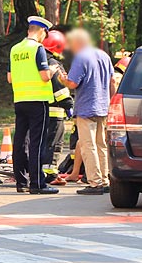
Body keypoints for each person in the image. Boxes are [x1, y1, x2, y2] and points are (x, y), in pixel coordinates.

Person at [7, 16, 59, 195]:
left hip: (20, 100)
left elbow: (10, 78)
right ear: (42, 31)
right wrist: (52, 70)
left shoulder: (15, 49)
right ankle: (37, 184)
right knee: (37, 142)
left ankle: (21, 182)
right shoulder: (37, 48)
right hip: (37, 101)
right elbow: (45, 76)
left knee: (20, 141)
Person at [60, 29, 115, 195]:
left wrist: (62, 78)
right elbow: (112, 80)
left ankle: (94, 182)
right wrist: (111, 102)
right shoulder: (104, 55)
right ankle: (105, 180)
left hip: (86, 108)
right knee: (101, 145)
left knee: (87, 146)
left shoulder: (81, 58)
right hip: (103, 107)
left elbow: (73, 83)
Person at [42, 30, 74, 186]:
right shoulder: (53, 64)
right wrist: (69, 104)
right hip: (55, 111)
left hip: (39, 109)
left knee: (41, 142)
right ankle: (50, 173)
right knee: (54, 143)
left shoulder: (38, 61)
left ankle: (40, 170)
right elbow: (59, 88)